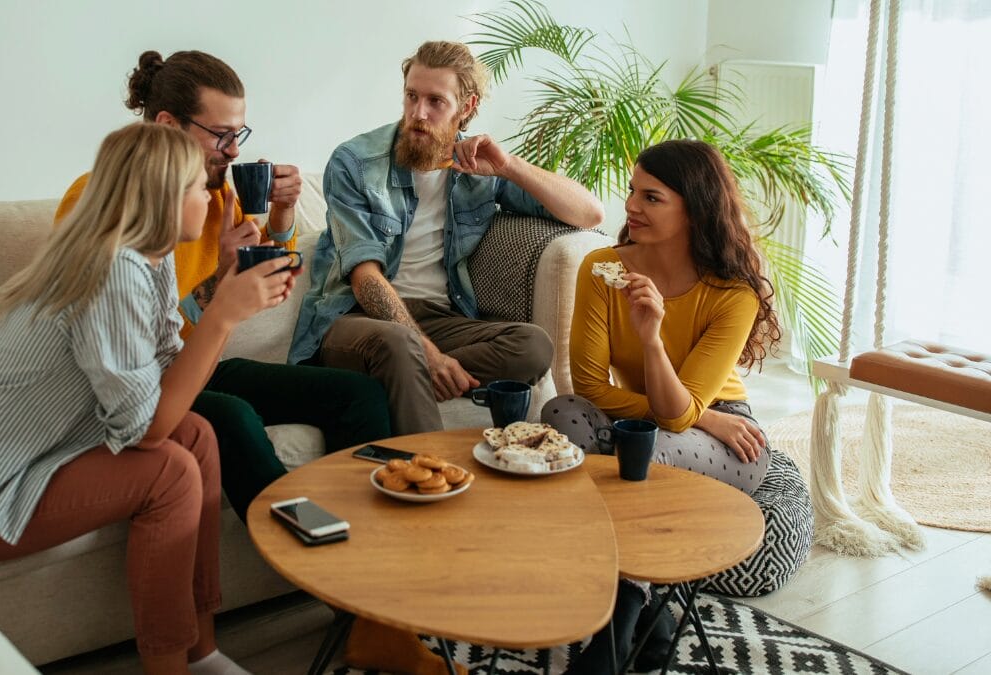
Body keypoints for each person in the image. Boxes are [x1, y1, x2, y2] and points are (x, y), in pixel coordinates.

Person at [0, 123, 288, 675]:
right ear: (164, 198)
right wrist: (223, 317)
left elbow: (170, 371)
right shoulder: (112, 270)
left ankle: (203, 654)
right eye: (199, 187)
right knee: (167, 468)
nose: (212, 196)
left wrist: (224, 292)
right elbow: (147, 428)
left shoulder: (150, 254)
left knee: (196, 433)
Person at [55, 50, 391, 525]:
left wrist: (281, 216)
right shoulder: (98, 200)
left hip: (201, 366)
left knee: (359, 395)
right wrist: (218, 283)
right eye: (222, 135)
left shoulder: (215, 198)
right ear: (170, 125)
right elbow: (124, 331)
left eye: (239, 134)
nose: (235, 150)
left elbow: (273, 271)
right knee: (231, 418)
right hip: (137, 385)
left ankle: (368, 534)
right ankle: (317, 547)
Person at [544, 139, 813, 673]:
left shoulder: (733, 294)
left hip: (729, 438)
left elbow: (674, 419)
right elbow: (591, 386)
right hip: (657, 419)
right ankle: (655, 619)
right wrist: (696, 411)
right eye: (632, 192)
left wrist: (651, 339)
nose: (631, 207)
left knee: (653, 452)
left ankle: (617, 623)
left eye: (652, 197)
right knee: (562, 415)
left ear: (695, 207)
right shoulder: (602, 268)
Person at [290, 40, 606, 435]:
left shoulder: (478, 169)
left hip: (441, 319)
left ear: (467, 107)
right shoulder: (355, 162)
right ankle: (431, 470)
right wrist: (431, 358)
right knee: (400, 347)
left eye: (435, 101)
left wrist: (509, 167)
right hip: (355, 318)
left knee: (534, 346)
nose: (417, 114)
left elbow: (590, 213)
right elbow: (365, 277)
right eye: (411, 97)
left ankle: (394, 379)